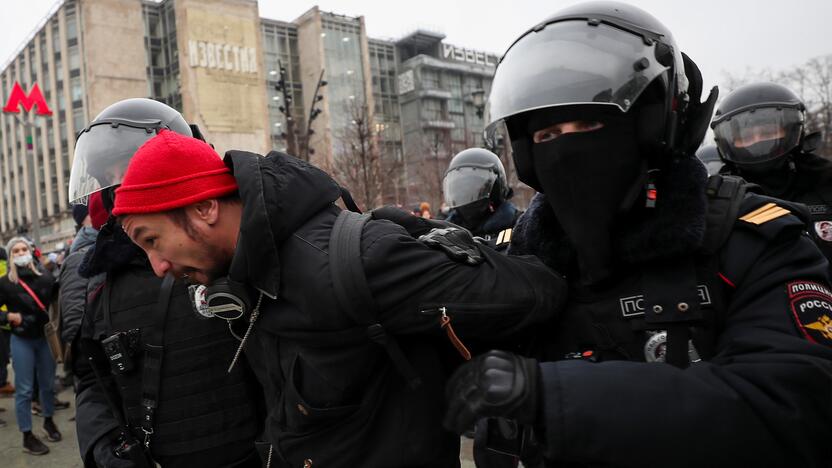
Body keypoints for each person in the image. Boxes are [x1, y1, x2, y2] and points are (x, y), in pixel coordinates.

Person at [442, 2, 832, 467]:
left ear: (657, 127)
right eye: (547, 135)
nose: (568, 150)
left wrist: (551, 394)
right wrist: (401, 251)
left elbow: (793, 406)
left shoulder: (747, 241)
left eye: (589, 124)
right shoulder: (524, 258)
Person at [104, 124, 565, 466]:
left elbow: (535, 291)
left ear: (204, 207)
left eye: (151, 240)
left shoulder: (356, 261)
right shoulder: (246, 278)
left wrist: (433, 238)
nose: (158, 267)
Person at [68, 98, 265, 467]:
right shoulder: (99, 278)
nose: (124, 188)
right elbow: (91, 378)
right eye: (113, 181)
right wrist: (104, 445)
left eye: (133, 171)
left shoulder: (234, 252)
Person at [713, 82, 832, 263]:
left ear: (791, 129)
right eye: (747, 137)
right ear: (728, 141)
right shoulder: (719, 198)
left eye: (768, 132)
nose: (758, 141)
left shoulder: (824, 180)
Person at [0, 237, 61, 455]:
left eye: (24, 248)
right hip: (21, 340)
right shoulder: (5, 282)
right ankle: (27, 435)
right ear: (10, 255)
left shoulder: (44, 277)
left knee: (47, 385)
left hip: (44, 339)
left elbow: (57, 301)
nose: (20, 252)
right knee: (24, 390)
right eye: (15, 250)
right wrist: (8, 316)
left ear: (30, 250)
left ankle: (48, 422)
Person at [443, 148, 522, 249]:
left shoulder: (520, 227)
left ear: (495, 190)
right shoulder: (445, 232)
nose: (465, 193)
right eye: (460, 188)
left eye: (473, 186)